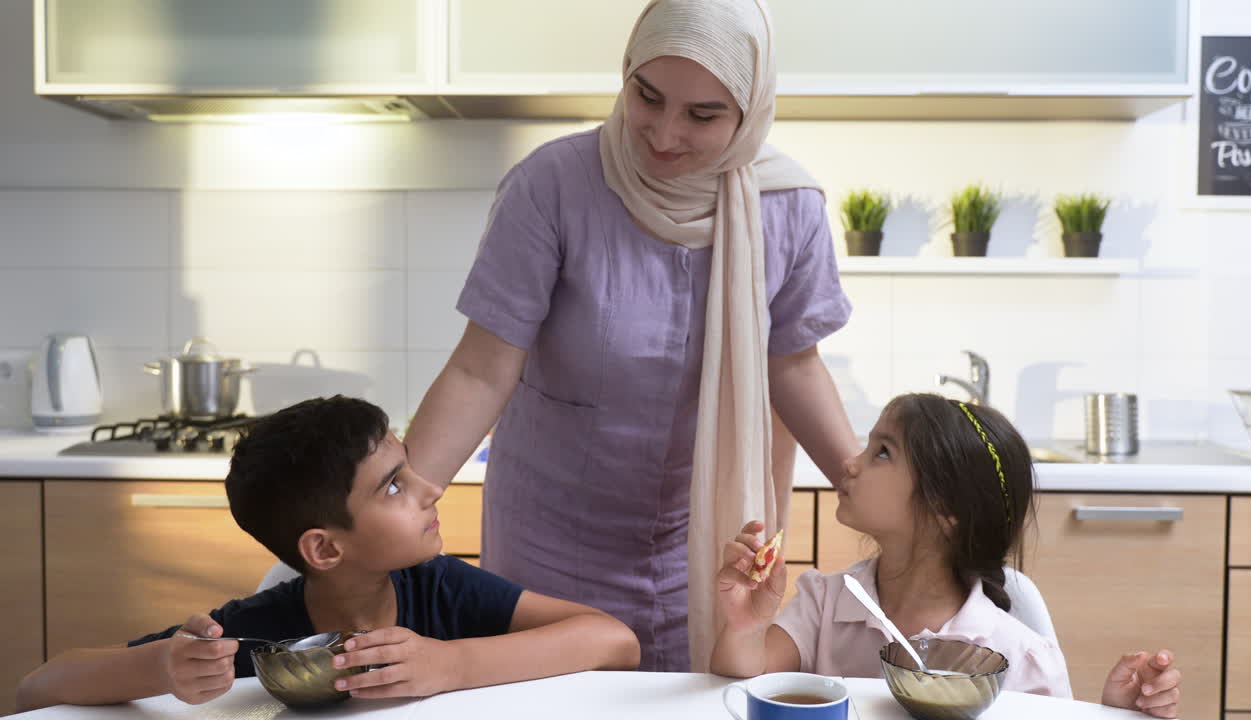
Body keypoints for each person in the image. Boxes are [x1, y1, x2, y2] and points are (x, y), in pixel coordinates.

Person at [403, 0, 857, 672]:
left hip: (705, 544)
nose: (666, 133)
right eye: (646, 96)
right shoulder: (552, 186)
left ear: (750, 109)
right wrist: (404, 496)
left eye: (703, 114)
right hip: (551, 542)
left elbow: (791, 366)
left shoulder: (787, 206)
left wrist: (859, 482)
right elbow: (481, 369)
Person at [15, 396, 640, 712]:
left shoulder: (439, 588)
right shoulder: (264, 638)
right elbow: (37, 688)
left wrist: (447, 665)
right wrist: (163, 670)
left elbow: (615, 642)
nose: (429, 489)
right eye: (394, 484)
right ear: (323, 548)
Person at [710, 393, 1183, 718]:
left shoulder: (1019, 658)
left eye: (881, 452)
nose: (850, 462)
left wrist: (1114, 713)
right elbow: (740, 683)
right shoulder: (825, 603)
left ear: (945, 507)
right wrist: (745, 626)